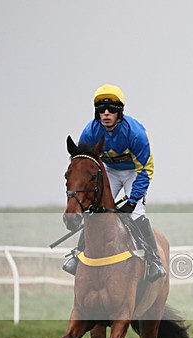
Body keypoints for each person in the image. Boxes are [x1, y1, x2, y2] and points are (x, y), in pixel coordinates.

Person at [62, 84, 166, 282]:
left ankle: (153, 259)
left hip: (134, 172)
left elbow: (145, 170)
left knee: (136, 214)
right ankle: (77, 254)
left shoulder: (135, 134)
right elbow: (84, 164)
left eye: (111, 110)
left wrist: (133, 199)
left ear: (120, 113)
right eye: (102, 110)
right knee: (94, 211)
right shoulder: (90, 132)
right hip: (108, 170)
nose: (106, 114)